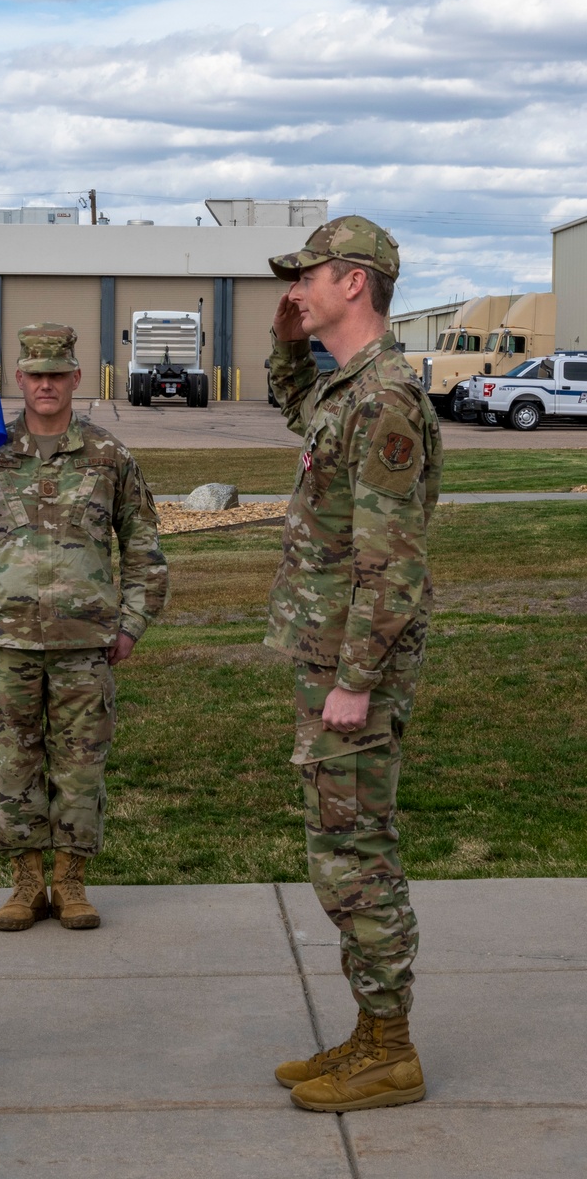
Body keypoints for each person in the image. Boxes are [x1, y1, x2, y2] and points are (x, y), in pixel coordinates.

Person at [264, 216, 442, 1113]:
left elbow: (393, 560)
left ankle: (390, 1047)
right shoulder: (347, 389)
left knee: (355, 853)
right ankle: (372, 1032)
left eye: (306, 279)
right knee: (339, 847)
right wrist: (286, 342)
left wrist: (355, 679)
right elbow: (294, 408)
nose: (295, 290)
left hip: (353, 670)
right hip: (330, 654)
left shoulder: (385, 400)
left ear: (354, 283)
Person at [0, 323, 168, 932]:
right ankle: (26, 882)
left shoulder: (108, 457)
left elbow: (144, 544)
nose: (46, 384)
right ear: (19, 379)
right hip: (6, 640)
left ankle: (70, 882)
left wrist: (133, 621)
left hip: (85, 643)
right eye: (35, 374)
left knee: (80, 764)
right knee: (13, 763)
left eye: (57, 374)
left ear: (75, 378)